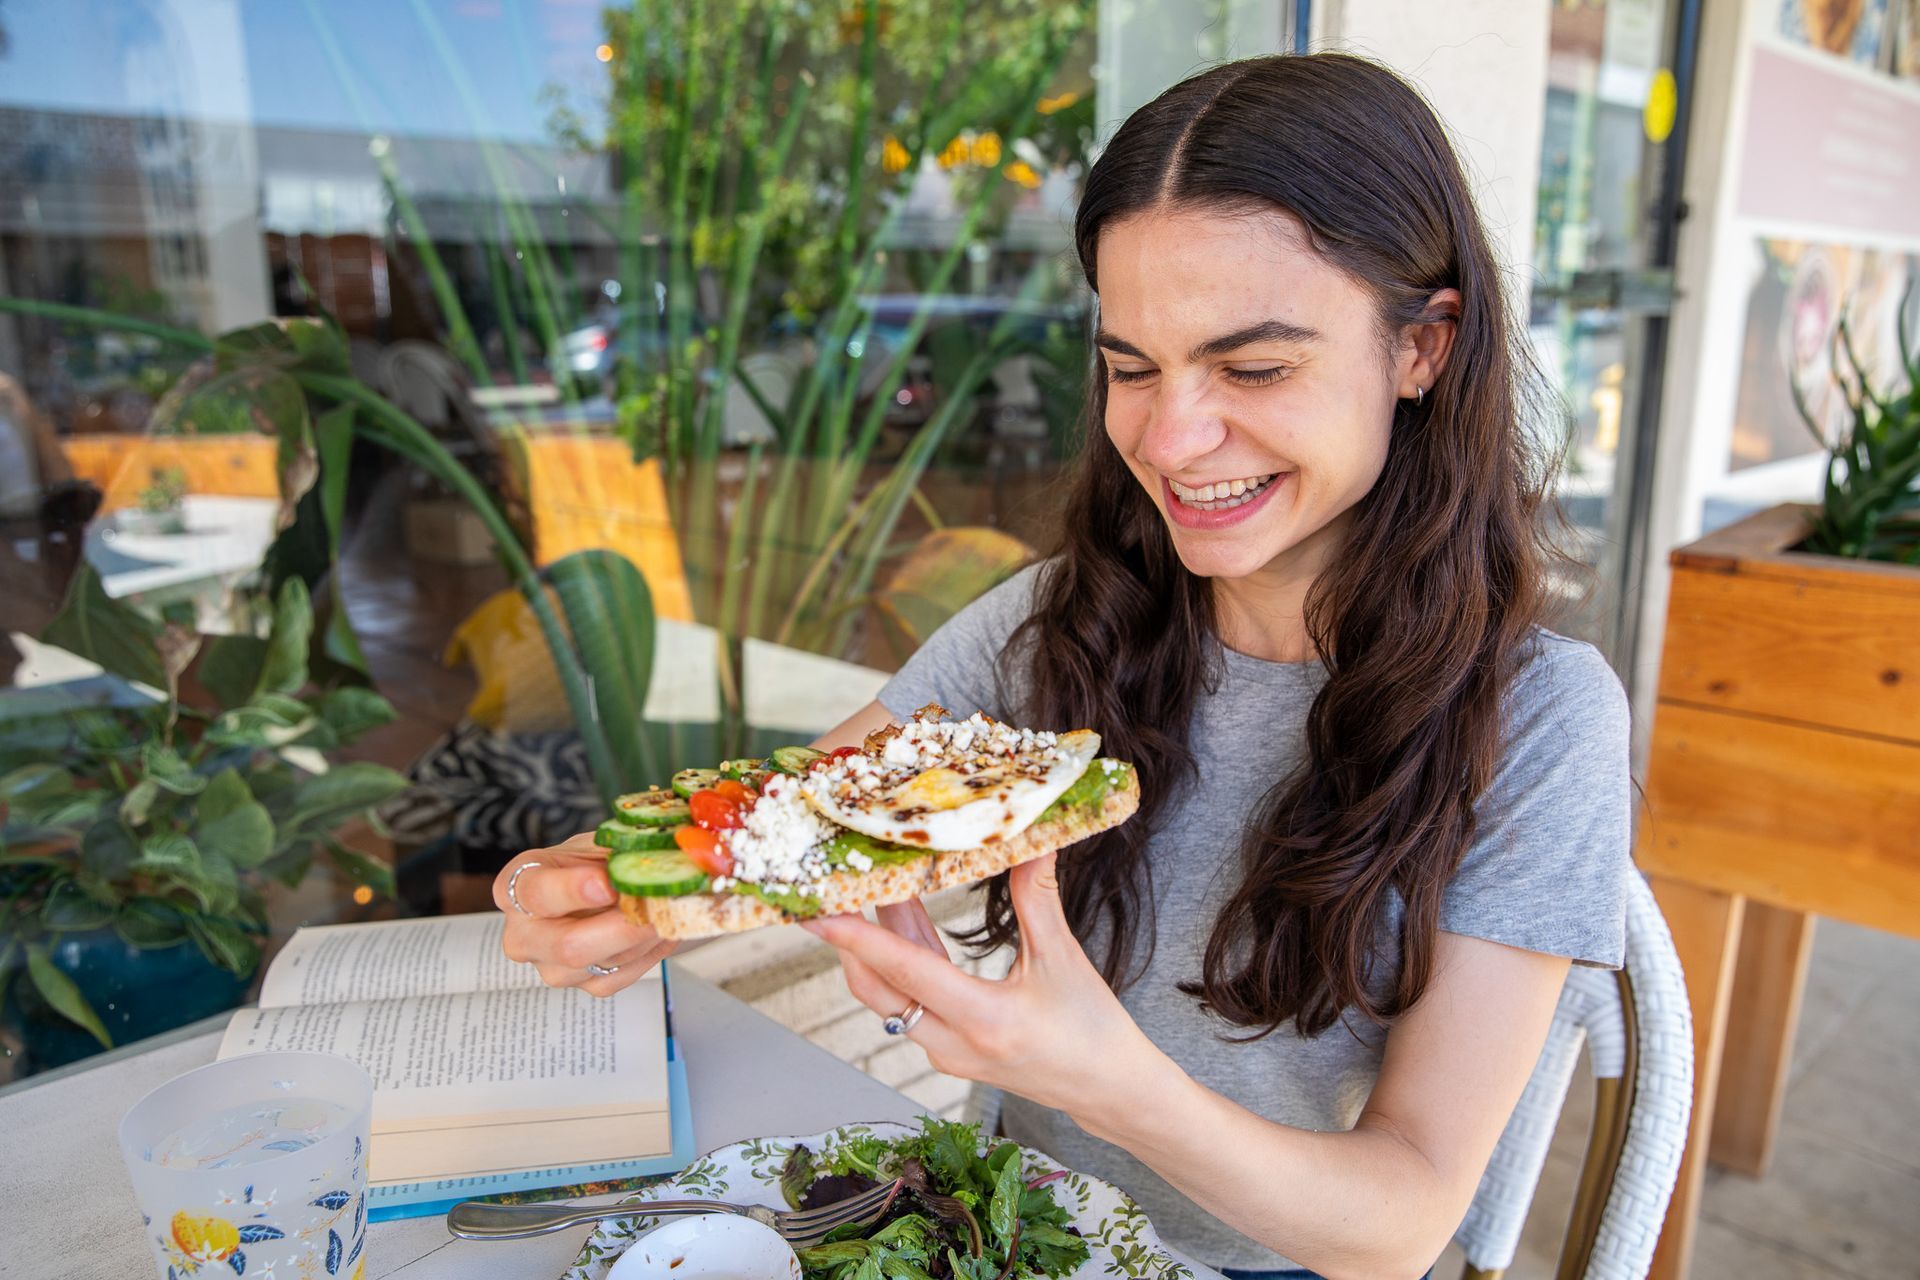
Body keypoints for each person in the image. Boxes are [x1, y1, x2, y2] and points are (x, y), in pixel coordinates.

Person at [493, 52, 1631, 1280]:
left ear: (1423, 347)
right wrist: (618, 890)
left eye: (1254, 367)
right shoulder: (1063, 618)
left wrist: (1101, 1082)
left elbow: (1404, 1220)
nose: (1171, 437)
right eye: (1131, 366)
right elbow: (797, 821)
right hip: (1003, 1227)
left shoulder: (1543, 719)